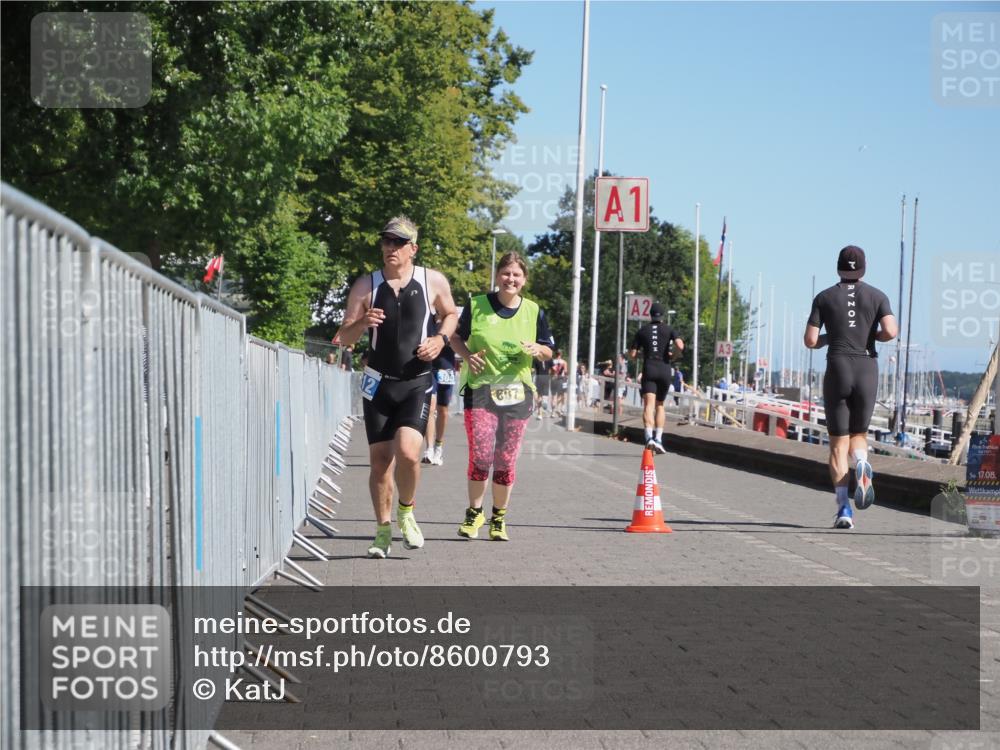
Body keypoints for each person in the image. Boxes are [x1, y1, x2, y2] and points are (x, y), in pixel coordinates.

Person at [335, 215, 458, 558]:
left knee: (407, 453)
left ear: (413, 249)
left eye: (398, 243)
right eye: (386, 241)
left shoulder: (431, 280)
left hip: (416, 382)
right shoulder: (366, 285)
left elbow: (450, 314)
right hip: (377, 385)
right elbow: (343, 338)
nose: (390, 248)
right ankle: (382, 531)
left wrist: (439, 339)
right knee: (379, 462)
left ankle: (406, 511)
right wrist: (361, 322)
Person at [450, 252, 554, 542]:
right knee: (482, 455)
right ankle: (474, 514)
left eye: (517, 275)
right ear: (498, 276)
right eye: (506, 273)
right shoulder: (477, 305)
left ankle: (499, 518)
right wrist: (468, 357)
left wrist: (538, 349)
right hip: (481, 390)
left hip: (518, 394)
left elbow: (548, 350)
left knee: (506, 460)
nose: (511, 279)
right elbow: (454, 337)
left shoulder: (534, 311)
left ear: (524, 279)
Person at [804, 245, 898, 530]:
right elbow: (891, 331)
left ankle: (844, 508)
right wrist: (873, 335)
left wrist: (829, 337)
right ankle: (861, 463)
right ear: (863, 268)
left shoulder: (824, 297)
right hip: (867, 367)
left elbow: (809, 340)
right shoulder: (877, 296)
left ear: (838, 268)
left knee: (836, 445)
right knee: (859, 434)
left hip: (838, 368)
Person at [629, 303, 685, 454]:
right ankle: (659, 439)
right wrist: (674, 355)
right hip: (665, 369)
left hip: (650, 368)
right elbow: (680, 345)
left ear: (650, 315)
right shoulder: (669, 329)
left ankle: (649, 438)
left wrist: (644, 354)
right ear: (663, 315)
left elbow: (632, 355)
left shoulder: (642, 331)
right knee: (660, 405)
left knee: (649, 404)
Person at [422, 341, 457, 466]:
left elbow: (461, 338)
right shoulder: (427, 321)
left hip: (446, 367)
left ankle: (438, 447)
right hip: (428, 367)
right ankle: (429, 449)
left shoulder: (453, 321)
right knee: (430, 408)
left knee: (443, 410)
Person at [550, 349, 568, 416]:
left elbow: (550, 372)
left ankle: (552, 412)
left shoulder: (552, 361)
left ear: (556, 354)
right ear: (561, 354)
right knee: (560, 396)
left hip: (553, 379)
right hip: (561, 379)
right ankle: (558, 409)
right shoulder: (564, 362)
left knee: (553, 396)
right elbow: (565, 372)